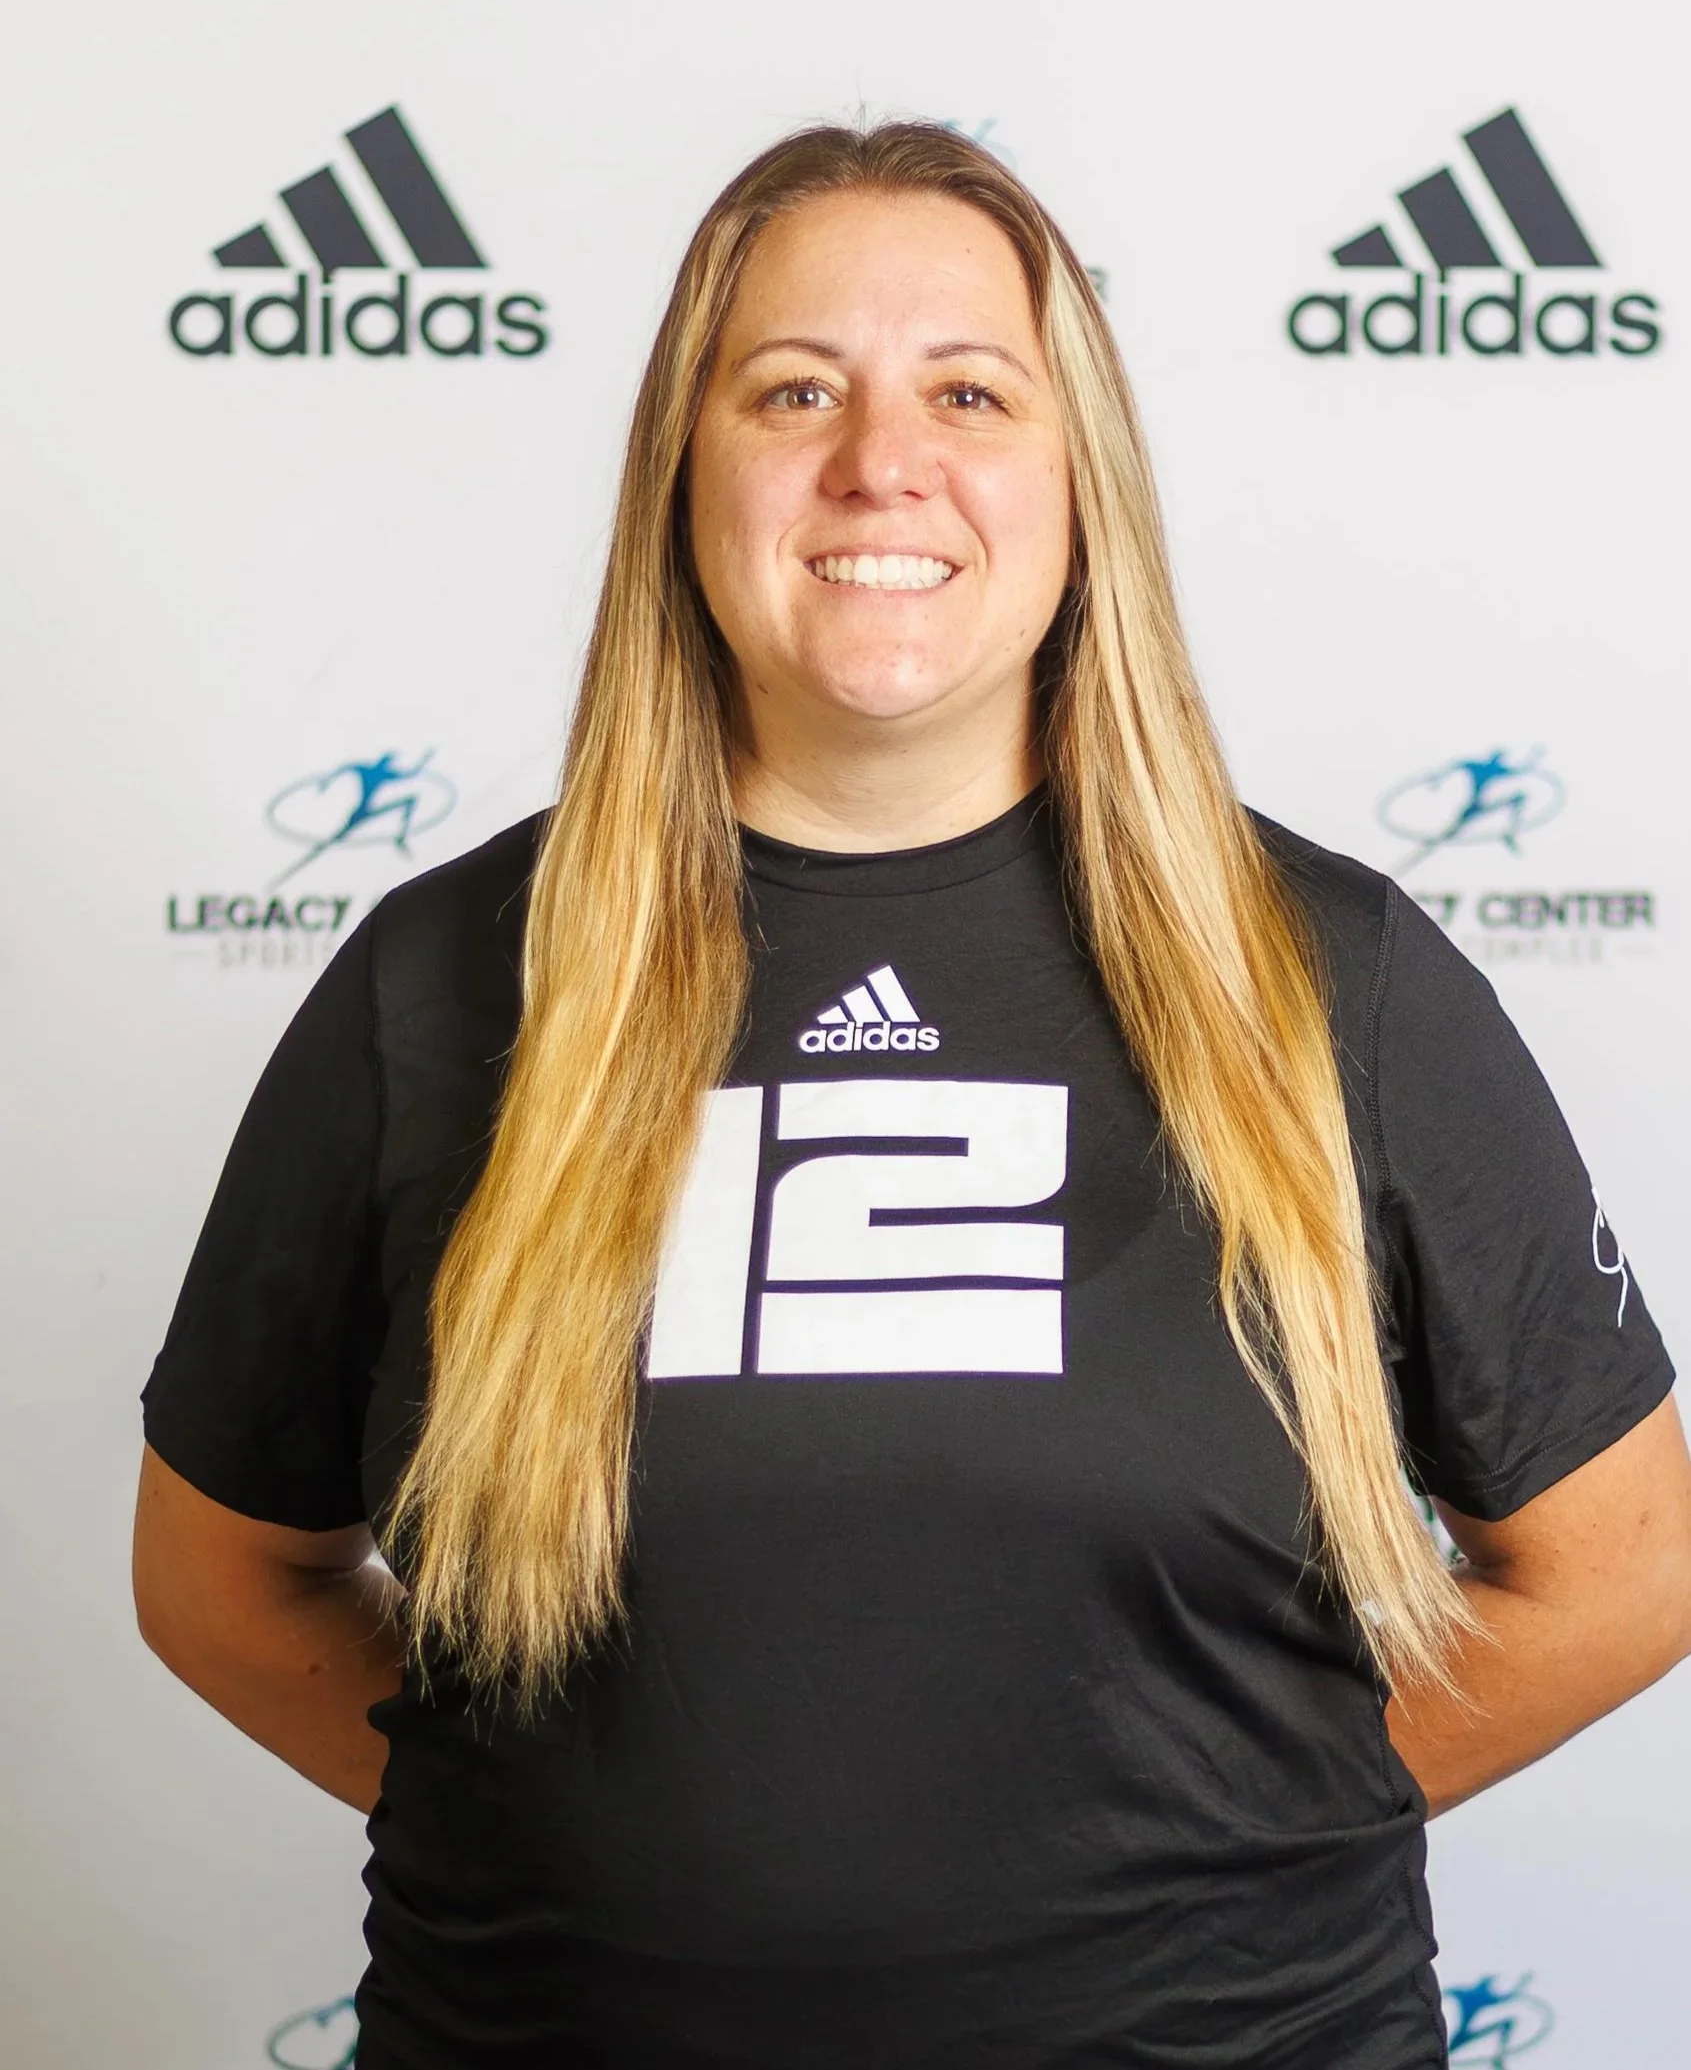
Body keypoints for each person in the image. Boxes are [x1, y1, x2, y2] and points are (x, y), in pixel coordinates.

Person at [133, 123, 1691, 2070]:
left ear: (1075, 484)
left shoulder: (1331, 974)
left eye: (969, 390)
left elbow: (1619, 1569)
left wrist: (1225, 1853)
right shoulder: (443, 978)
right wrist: (553, 1852)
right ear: (681, 474)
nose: (882, 460)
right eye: (793, 389)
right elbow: (219, 1574)